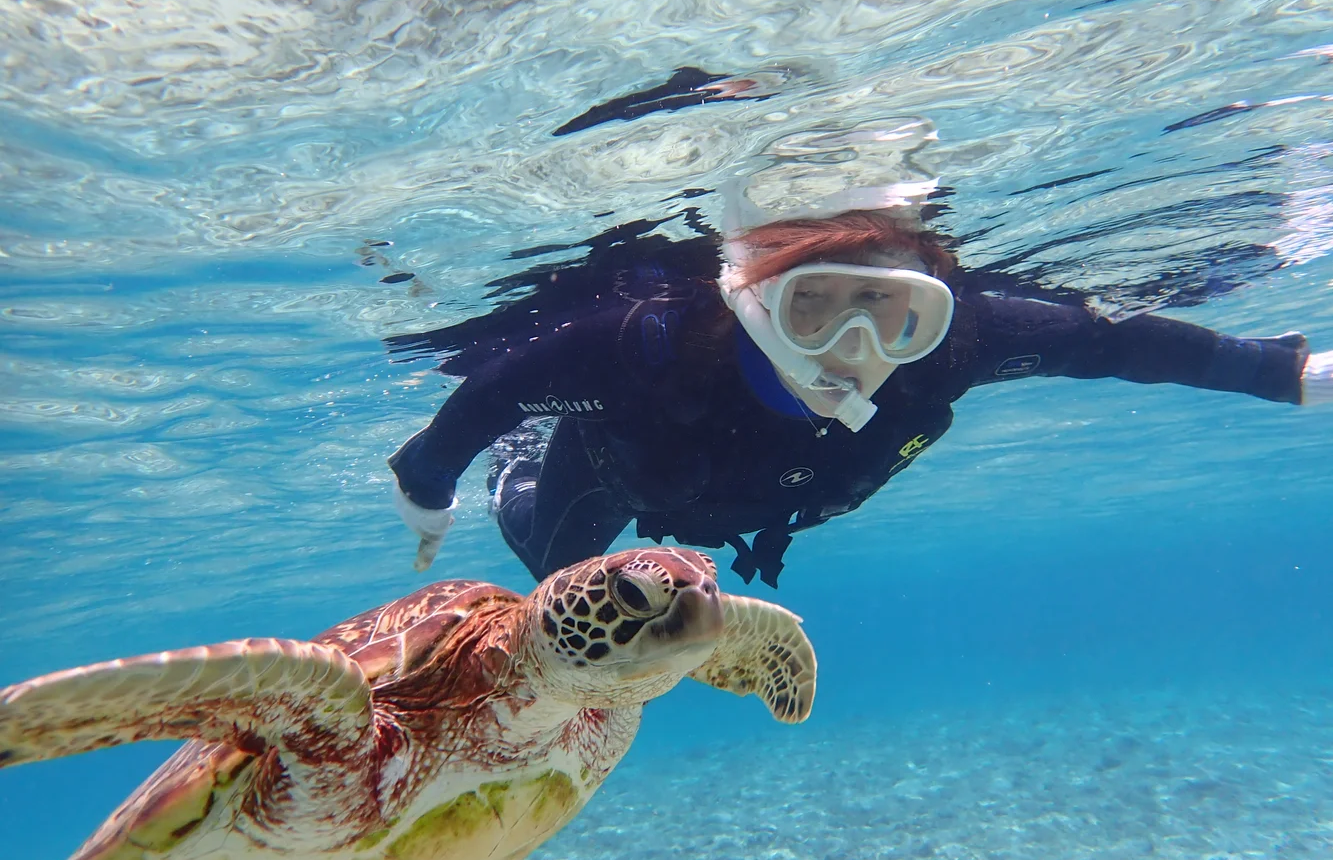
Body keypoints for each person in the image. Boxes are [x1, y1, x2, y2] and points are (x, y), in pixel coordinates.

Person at [386, 196, 1333, 589]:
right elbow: (486, 396)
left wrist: (1283, 374)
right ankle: (527, 476)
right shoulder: (642, 347)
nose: (856, 349)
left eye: (895, 317)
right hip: (617, 475)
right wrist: (428, 492)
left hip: (773, 501)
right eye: (816, 311)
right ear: (748, 300)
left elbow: (1114, 342)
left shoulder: (959, 346)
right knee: (557, 584)